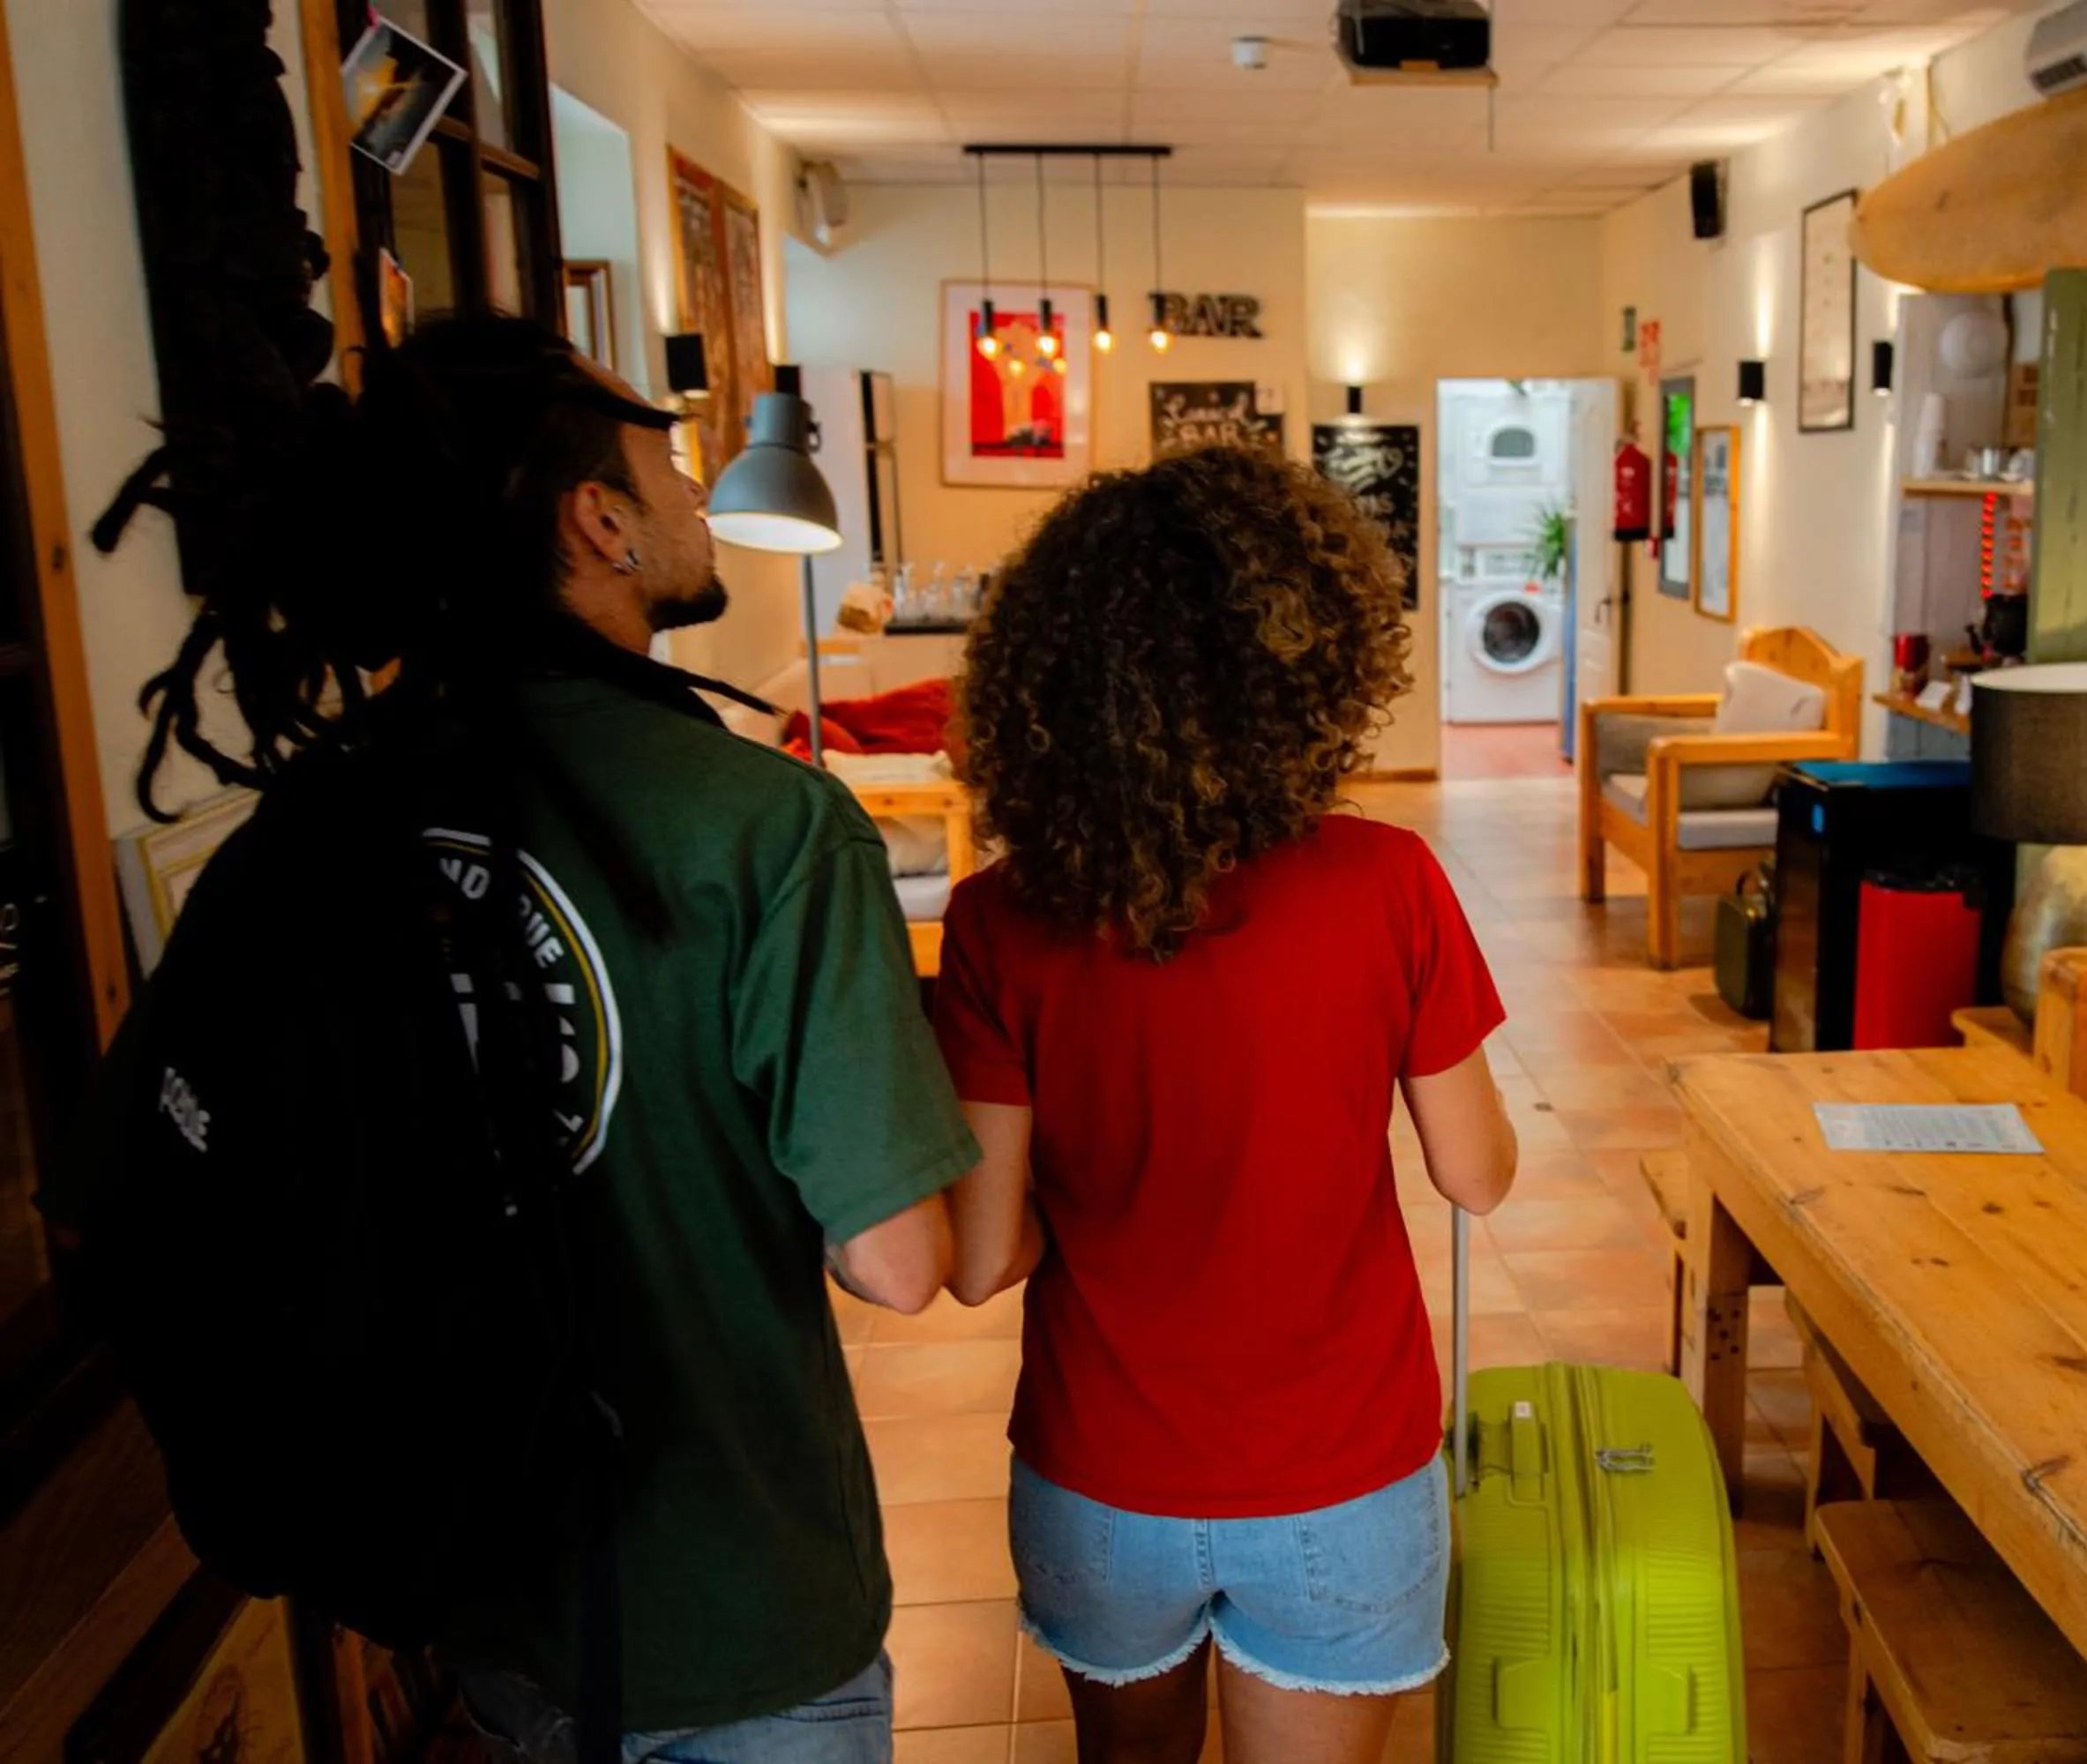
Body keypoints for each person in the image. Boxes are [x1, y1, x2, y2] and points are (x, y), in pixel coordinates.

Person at [85, 317, 976, 1762]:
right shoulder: (762, 826)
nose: (700, 499)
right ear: (599, 520)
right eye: (673, 469)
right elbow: (897, 1259)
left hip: (489, 1591)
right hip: (740, 1602)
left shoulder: (333, 812)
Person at [929, 445, 1521, 1764]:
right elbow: (1475, 1175)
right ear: (1308, 666)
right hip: (1343, 1478)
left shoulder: (996, 923)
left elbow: (979, 1260)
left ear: (1052, 680)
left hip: (1102, 1480)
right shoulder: (1389, 882)